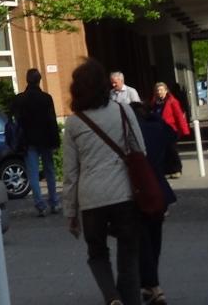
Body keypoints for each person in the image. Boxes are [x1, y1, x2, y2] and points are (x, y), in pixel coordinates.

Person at [64, 58, 144, 305]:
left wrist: (70, 212)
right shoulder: (122, 111)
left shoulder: (73, 123)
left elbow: (71, 172)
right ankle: (129, 299)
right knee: (129, 251)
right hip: (124, 194)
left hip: (91, 199)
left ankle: (111, 297)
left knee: (97, 252)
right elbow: (140, 150)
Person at [131, 100, 177, 305]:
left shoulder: (131, 134)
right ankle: (151, 284)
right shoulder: (157, 129)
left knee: (142, 241)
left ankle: (151, 285)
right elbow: (172, 134)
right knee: (155, 239)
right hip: (159, 191)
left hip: (138, 193)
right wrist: (156, 117)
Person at [10, 67, 62, 216]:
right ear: (40, 80)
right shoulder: (46, 98)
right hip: (45, 139)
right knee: (49, 170)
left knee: (33, 173)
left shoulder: (20, 99)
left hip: (28, 141)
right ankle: (54, 202)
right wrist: (56, 141)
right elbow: (52, 121)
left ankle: (40, 205)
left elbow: (14, 119)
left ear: (27, 80)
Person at [151, 82, 189, 177]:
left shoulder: (172, 101)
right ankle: (167, 170)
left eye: (161, 90)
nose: (159, 92)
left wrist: (184, 130)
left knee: (172, 150)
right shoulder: (154, 103)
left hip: (171, 129)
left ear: (166, 91)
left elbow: (179, 116)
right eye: (157, 90)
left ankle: (177, 170)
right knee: (163, 151)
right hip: (159, 130)